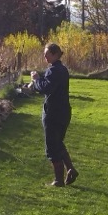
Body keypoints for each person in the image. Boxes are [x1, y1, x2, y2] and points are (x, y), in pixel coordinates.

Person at [30, 43, 78, 187]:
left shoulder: (54, 70)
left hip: (53, 113)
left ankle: (58, 180)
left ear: (55, 54)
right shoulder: (62, 69)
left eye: (47, 54)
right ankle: (70, 169)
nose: (44, 56)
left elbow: (46, 88)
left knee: (51, 147)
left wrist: (36, 79)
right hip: (64, 112)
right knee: (58, 143)